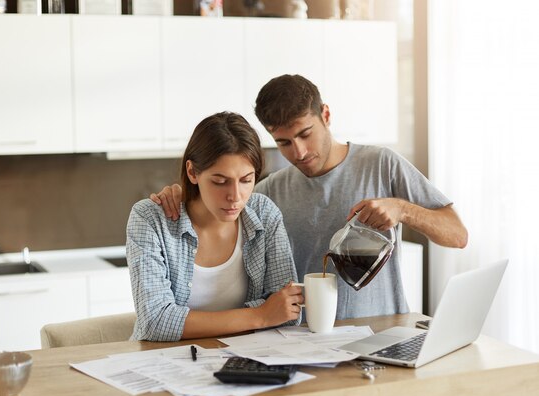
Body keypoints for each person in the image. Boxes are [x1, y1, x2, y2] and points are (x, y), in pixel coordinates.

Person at [151, 74, 468, 321]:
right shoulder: (271, 191)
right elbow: (221, 200)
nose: (298, 152)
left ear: (326, 115)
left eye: (305, 134)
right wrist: (182, 193)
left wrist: (403, 210)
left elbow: (458, 236)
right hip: (306, 342)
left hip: (383, 331)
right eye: (284, 142)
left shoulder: (382, 164)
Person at [127, 111, 303, 342]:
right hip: (164, 363)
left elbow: (288, 311)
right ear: (192, 172)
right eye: (220, 182)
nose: (235, 196)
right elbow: (155, 321)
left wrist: (183, 321)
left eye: (246, 180)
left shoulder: (264, 213)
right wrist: (260, 316)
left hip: (243, 360)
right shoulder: (150, 219)